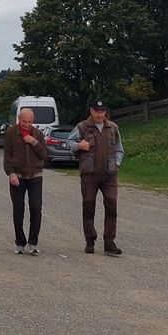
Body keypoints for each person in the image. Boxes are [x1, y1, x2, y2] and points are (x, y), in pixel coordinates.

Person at [65, 101, 126, 256]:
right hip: (89, 175)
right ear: (91, 111)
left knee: (112, 207)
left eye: (103, 111)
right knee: (88, 208)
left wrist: (117, 164)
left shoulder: (113, 127)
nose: (100, 115)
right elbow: (68, 143)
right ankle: (90, 241)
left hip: (109, 175)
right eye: (97, 111)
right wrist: (79, 146)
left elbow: (119, 149)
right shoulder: (82, 127)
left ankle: (109, 242)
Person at [3, 108, 48, 254]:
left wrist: (34, 142)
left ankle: (33, 242)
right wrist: (11, 174)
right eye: (24, 122)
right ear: (19, 119)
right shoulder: (11, 133)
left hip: (35, 176)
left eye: (29, 122)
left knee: (36, 209)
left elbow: (44, 155)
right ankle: (20, 243)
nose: (27, 125)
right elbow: (7, 156)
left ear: (33, 121)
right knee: (18, 210)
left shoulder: (38, 134)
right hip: (17, 177)